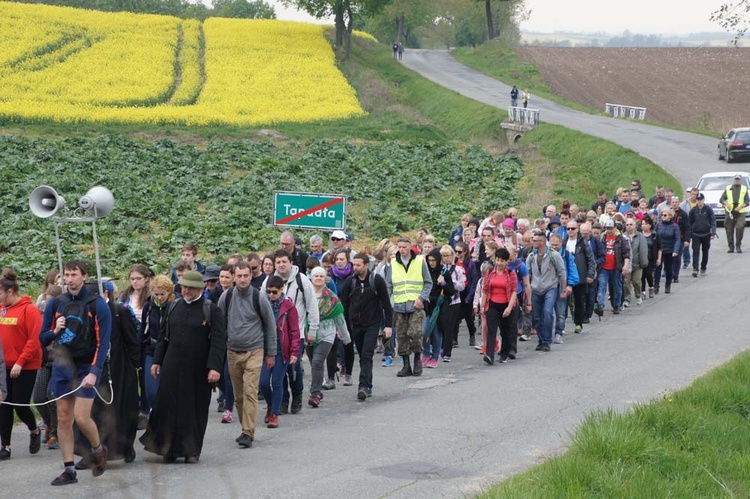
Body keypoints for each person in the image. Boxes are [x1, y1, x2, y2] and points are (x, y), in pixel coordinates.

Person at [140, 270, 225, 463]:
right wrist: (157, 361)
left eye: (190, 288)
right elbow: (163, 336)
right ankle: (167, 449)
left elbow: (219, 341)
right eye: (184, 287)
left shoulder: (211, 309)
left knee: (193, 409)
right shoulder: (173, 306)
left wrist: (214, 367)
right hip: (171, 365)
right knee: (167, 406)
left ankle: (191, 451)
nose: (185, 290)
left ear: (199, 289)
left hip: (198, 367)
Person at [40, 260, 112, 485]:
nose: (70, 279)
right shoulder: (56, 304)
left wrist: (94, 372)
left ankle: (98, 448)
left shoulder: (97, 305)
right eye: (67, 275)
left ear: (84, 276)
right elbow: (42, 338)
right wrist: (55, 330)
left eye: (74, 275)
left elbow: (103, 343)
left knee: (81, 417)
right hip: (63, 364)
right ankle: (69, 469)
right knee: (63, 418)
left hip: (86, 366)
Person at [75, 280, 139, 468]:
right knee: (91, 412)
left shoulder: (120, 312)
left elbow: (131, 341)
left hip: (118, 369)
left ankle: (125, 446)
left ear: (106, 295)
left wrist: (136, 366)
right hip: (92, 370)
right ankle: (89, 452)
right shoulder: (83, 313)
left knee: (121, 411)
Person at [218, 262, 276, 447]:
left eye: (246, 275)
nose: (242, 279)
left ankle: (247, 433)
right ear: (234, 277)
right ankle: (246, 427)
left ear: (251, 276)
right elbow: (219, 326)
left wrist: (271, 353)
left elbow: (270, 326)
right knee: (239, 396)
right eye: (239, 276)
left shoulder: (259, 297)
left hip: (254, 350)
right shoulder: (226, 297)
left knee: (250, 391)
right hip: (232, 352)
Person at [260, 250, 319, 415]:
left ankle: (297, 396)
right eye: (278, 262)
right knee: (280, 373)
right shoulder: (268, 282)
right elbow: (260, 305)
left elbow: (312, 306)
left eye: (284, 261)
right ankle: (283, 401)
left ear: (291, 262)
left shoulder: (302, 281)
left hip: (296, 333)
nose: (281, 265)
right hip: (274, 337)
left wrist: (312, 329)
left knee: (294, 369)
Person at [0, 269, 43, 461]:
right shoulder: (2, 308)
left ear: (10, 292)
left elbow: (34, 340)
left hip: (26, 365)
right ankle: (6, 446)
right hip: (4, 365)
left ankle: (34, 430)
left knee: (20, 403)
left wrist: (20, 362)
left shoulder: (29, 309)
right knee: (4, 404)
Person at [341, 254, 393, 401]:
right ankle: (367, 384)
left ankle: (363, 386)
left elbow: (386, 305)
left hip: (372, 324)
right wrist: (343, 326)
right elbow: (343, 305)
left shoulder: (376, 280)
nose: (355, 268)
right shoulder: (350, 281)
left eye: (358, 265)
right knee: (362, 355)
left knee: (366, 354)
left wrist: (388, 326)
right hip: (355, 325)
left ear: (366, 265)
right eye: (354, 265)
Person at [388, 237, 432, 377]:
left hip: (415, 305)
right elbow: (388, 285)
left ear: (410, 247)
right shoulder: (394, 263)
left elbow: (428, 282)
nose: (402, 250)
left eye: (404, 247)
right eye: (399, 247)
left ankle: (417, 359)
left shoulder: (419, 262)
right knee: (401, 336)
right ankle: (406, 365)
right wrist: (388, 302)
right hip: (399, 306)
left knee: (416, 333)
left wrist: (421, 298)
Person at [306, 267, 350, 407]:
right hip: (309, 333)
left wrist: (345, 337)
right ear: (311, 278)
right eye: (316, 276)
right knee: (314, 362)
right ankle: (317, 385)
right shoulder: (306, 295)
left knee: (318, 361)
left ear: (325, 279)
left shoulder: (331, 297)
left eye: (321, 276)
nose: (318, 278)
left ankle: (316, 393)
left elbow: (339, 317)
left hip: (327, 333)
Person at [259, 276, 298, 429]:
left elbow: (294, 331)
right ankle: (270, 405)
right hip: (265, 350)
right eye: (268, 292)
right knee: (263, 383)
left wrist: (294, 351)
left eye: (274, 292)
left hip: (282, 351)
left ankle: (275, 413)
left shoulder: (289, 307)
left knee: (277, 382)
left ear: (282, 289)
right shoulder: (263, 304)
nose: (271, 295)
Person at [526, 232, 567, 352]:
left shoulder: (553, 255)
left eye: (535, 241)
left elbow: (562, 272)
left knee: (548, 312)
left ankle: (547, 340)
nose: (533, 243)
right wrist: (527, 291)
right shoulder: (531, 257)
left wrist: (564, 289)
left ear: (542, 242)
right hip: (535, 289)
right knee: (537, 316)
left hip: (550, 287)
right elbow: (527, 275)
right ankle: (541, 339)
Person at [140, 275, 173, 411]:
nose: (159, 298)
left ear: (169, 293)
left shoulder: (174, 306)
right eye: (156, 294)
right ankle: (157, 414)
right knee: (151, 391)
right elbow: (143, 329)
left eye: (162, 294)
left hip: (170, 351)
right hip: (151, 350)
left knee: (168, 390)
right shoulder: (148, 306)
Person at [480, 248, 518, 364]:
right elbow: (485, 290)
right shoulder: (490, 273)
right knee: (491, 330)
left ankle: (504, 353)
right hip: (493, 305)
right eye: (498, 260)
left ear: (506, 262)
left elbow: (514, 291)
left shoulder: (511, 273)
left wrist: (509, 308)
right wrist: (482, 306)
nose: (499, 263)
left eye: (502, 261)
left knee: (505, 330)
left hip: (506, 304)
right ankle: (490, 355)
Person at [563, 220, 596, 333]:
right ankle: (561, 324)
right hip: (566, 277)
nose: (570, 231)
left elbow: (591, 259)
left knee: (579, 300)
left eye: (573, 228)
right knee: (563, 301)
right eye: (568, 229)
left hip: (580, 276)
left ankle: (578, 323)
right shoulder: (564, 243)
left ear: (577, 229)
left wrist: (590, 274)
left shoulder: (583, 243)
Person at [548, 235, 578, 344]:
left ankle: (558, 333)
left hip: (561, 287)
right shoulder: (546, 254)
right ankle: (547, 333)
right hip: (548, 287)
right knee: (547, 312)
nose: (554, 247)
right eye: (552, 245)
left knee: (560, 313)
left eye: (556, 245)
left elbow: (572, 270)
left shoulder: (567, 255)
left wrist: (570, 285)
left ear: (561, 243)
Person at [438, 246, 465, 361]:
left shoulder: (458, 269)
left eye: (448, 255)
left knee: (450, 327)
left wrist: (450, 281)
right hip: (440, 300)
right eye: (444, 256)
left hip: (454, 301)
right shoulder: (439, 270)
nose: (446, 258)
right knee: (441, 326)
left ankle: (447, 353)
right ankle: (440, 347)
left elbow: (462, 286)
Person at [689, 193, 717, 277]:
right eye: (698, 199)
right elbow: (690, 223)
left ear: (703, 200)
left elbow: (713, 221)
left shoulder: (708, 209)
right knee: (695, 251)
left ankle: (703, 267)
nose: (699, 201)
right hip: (696, 234)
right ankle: (695, 268)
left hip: (706, 234)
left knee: (705, 251)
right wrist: (690, 234)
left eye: (701, 199)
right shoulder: (693, 210)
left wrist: (712, 233)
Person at [720, 174, 749, 253]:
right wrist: (726, 203)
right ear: (734, 180)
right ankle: (731, 246)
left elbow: (747, 202)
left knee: (740, 226)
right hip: (730, 211)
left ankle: (738, 245)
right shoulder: (728, 188)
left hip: (740, 211)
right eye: (736, 179)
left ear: (741, 180)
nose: (737, 180)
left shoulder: (744, 188)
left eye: (738, 179)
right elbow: (722, 199)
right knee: (729, 228)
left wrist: (741, 207)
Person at [622, 219, 648, 307]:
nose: (629, 226)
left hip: (637, 264)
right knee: (626, 282)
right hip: (627, 264)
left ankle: (638, 295)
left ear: (635, 226)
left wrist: (643, 262)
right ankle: (627, 299)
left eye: (631, 224)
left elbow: (643, 250)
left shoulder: (640, 236)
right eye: (627, 224)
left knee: (636, 281)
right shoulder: (623, 236)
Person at [655, 208, 681, 294]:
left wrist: (675, 250)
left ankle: (668, 285)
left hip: (670, 250)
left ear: (670, 216)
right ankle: (656, 285)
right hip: (660, 250)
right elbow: (654, 236)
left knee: (669, 268)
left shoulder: (674, 226)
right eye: (662, 215)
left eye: (665, 215)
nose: (663, 217)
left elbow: (677, 239)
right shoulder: (658, 225)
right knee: (658, 268)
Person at [640, 215, 660, 298]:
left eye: (645, 224)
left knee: (648, 273)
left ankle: (651, 286)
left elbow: (659, 248)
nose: (643, 225)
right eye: (642, 224)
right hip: (641, 258)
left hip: (650, 258)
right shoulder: (639, 235)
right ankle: (643, 291)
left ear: (650, 225)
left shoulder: (654, 235)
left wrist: (659, 258)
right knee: (642, 275)